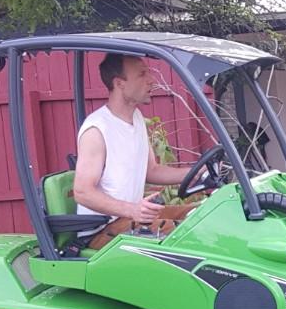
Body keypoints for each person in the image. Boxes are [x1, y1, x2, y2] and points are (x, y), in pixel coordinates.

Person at [72, 54, 199, 247]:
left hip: (130, 219)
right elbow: (82, 192)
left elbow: (152, 171)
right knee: (185, 236)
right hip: (103, 231)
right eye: (142, 74)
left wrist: (197, 173)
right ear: (119, 83)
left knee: (200, 216)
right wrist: (131, 210)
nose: (151, 80)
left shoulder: (136, 117)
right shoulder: (97, 129)